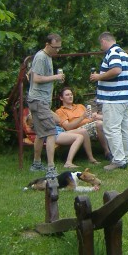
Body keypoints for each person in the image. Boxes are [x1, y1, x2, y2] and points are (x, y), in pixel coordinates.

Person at [90, 32, 128, 171]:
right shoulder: (123, 52)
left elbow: (116, 70)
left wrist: (99, 77)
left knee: (111, 129)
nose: (100, 47)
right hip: (124, 96)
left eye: (100, 43)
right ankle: (126, 156)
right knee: (124, 128)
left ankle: (118, 160)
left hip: (114, 98)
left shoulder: (112, 52)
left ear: (104, 41)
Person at [27, 33, 65, 178]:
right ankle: (51, 168)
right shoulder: (41, 57)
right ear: (47, 45)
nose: (57, 50)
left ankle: (36, 164)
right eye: (55, 47)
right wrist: (55, 77)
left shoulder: (47, 57)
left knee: (41, 133)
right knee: (51, 132)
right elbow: (36, 78)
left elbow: (31, 73)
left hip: (39, 100)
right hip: (39, 101)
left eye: (59, 48)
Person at [53, 87, 100, 167]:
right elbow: (67, 127)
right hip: (73, 131)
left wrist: (94, 117)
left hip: (90, 125)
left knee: (101, 123)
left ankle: (108, 153)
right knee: (87, 129)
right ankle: (91, 158)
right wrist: (82, 117)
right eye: (67, 95)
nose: (70, 96)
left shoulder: (80, 106)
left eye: (71, 94)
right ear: (61, 98)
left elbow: (90, 118)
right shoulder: (60, 111)